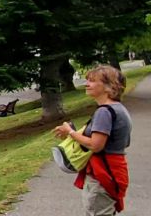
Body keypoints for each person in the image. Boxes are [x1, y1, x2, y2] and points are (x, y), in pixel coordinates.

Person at [52, 65, 132, 215]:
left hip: (103, 173)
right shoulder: (118, 108)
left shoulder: (104, 112)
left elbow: (96, 146)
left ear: (109, 86)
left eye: (92, 81)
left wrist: (70, 132)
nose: (86, 84)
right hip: (114, 169)